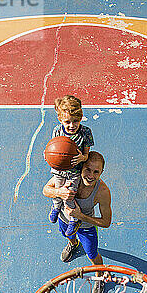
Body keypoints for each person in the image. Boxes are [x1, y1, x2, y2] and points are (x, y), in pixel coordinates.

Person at [43, 151, 111, 293]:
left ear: (101, 172)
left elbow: (106, 222)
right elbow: (46, 190)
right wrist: (59, 192)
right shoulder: (68, 177)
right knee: (67, 234)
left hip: (86, 227)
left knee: (92, 253)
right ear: (81, 167)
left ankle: (100, 274)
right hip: (64, 218)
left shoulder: (103, 192)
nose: (91, 175)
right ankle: (73, 245)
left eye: (96, 172)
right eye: (87, 169)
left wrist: (81, 216)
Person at [48, 95, 94, 237]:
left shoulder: (85, 132)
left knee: (68, 195)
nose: (72, 125)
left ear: (81, 118)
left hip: (74, 172)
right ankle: (56, 207)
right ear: (60, 119)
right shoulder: (57, 131)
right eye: (67, 121)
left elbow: (87, 155)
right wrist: (48, 155)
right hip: (59, 169)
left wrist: (82, 157)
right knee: (57, 190)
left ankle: (74, 219)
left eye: (76, 121)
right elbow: (53, 150)